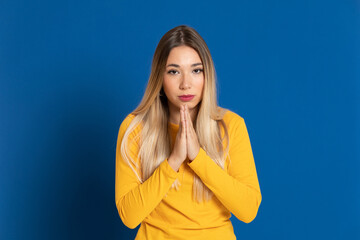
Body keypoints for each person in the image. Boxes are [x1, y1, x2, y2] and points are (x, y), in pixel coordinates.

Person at [115, 25, 262, 240]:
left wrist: (198, 158)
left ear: (207, 75)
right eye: (174, 71)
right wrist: (173, 160)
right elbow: (129, 216)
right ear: (160, 77)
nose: (186, 84)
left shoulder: (231, 126)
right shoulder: (135, 129)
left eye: (196, 70)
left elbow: (248, 210)